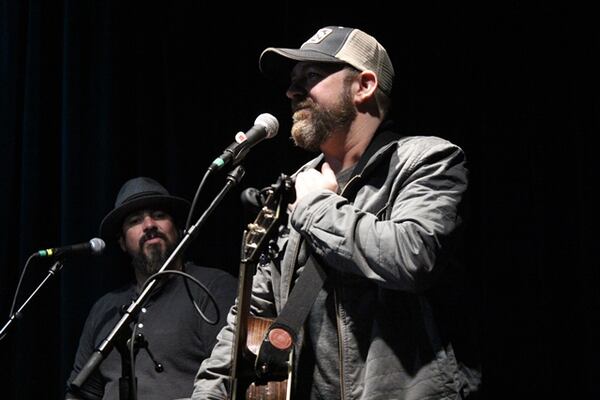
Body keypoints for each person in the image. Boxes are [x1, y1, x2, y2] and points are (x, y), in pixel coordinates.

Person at [192, 26, 481, 399]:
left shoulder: (427, 160)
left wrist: (315, 207)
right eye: (293, 81)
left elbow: (413, 256)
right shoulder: (293, 189)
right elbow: (252, 315)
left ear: (364, 86)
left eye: (310, 77)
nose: (292, 92)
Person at [65, 177, 238, 400]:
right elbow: (81, 393)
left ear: (177, 229)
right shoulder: (104, 309)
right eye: (135, 221)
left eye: (159, 216)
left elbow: (231, 380)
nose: (149, 225)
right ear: (122, 242)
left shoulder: (214, 287)